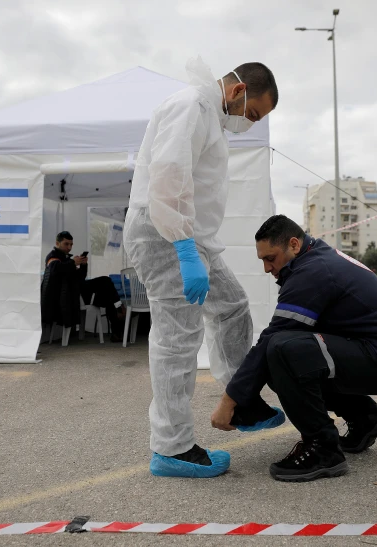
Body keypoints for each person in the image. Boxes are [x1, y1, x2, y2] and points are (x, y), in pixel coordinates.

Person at [124, 57, 282, 478]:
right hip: (165, 233)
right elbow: (169, 177)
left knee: (231, 306)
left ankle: (241, 399)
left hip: (188, 237)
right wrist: (184, 249)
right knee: (178, 339)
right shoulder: (191, 105)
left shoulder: (209, 114)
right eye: (251, 113)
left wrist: (194, 246)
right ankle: (171, 448)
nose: (249, 123)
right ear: (236, 91)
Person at [210, 215, 377, 482]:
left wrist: (230, 400)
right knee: (283, 363)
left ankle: (323, 448)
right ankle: (366, 418)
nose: (266, 268)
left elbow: (273, 338)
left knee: (282, 350)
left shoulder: (314, 270)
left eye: (270, 258)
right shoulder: (314, 259)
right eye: (262, 260)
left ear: (294, 245)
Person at [42, 231, 126, 343]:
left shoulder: (66, 259)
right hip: (71, 295)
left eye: (71, 244)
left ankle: (117, 332)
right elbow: (55, 269)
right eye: (66, 244)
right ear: (58, 243)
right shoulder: (53, 257)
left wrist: (83, 265)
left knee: (108, 297)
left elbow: (80, 277)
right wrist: (72, 262)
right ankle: (119, 306)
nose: (69, 247)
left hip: (77, 291)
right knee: (105, 280)